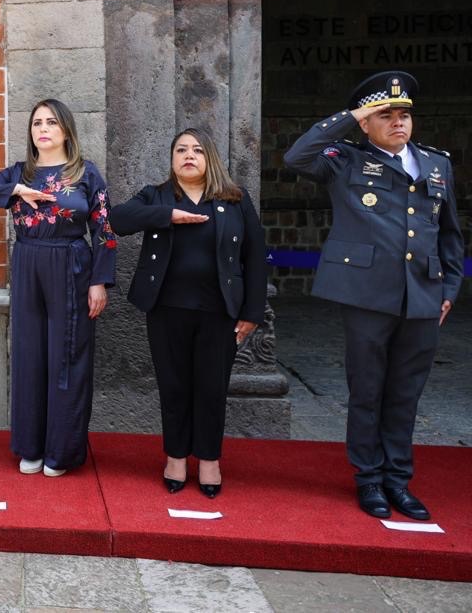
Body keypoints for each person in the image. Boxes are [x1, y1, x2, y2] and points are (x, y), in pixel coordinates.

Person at [284, 71, 461, 521]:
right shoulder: (344, 159)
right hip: (367, 294)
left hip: (423, 293)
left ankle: (398, 480)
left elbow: (449, 234)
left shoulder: (436, 164)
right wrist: (352, 115)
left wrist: (449, 289)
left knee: (406, 393)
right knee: (367, 390)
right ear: (366, 123)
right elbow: (297, 156)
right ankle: (368, 479)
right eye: (386, 115)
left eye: (404, 115)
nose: (398, 122)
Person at [109, 128, 266, 497]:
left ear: (210, 157)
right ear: (172, 158)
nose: (189, 155)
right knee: (174, 386)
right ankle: (176, 457)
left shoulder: (235, 199)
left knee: (212, 388)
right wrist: (168, 216)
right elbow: (117, 219)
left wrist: (252, 311)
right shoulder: (157, 195)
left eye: (197, 150)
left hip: (219, 311)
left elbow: (255, 255)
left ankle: (209, 460)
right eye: (181, 150)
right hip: (166, 309)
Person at [0, 99, 115, 476]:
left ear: (66, 130)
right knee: (29, 354)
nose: (43, 129)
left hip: (71, 264)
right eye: (36, 123)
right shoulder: (20, 172)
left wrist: (99, 281)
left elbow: (104, 230)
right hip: (28, 262)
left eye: (51, 122)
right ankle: (30, 446)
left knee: (67, 355)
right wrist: (17, 190)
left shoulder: (86, 173)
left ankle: (60, 451)